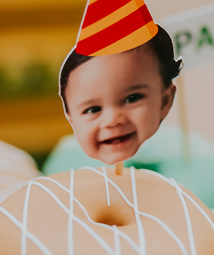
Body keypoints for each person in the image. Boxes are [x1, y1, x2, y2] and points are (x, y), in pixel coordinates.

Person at [59, 25, 181, 166]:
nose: (113, 120)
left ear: (165, 101)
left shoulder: (180, 179)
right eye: (93, 109)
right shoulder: (67, 169)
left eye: (132, 98)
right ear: (71, 118)